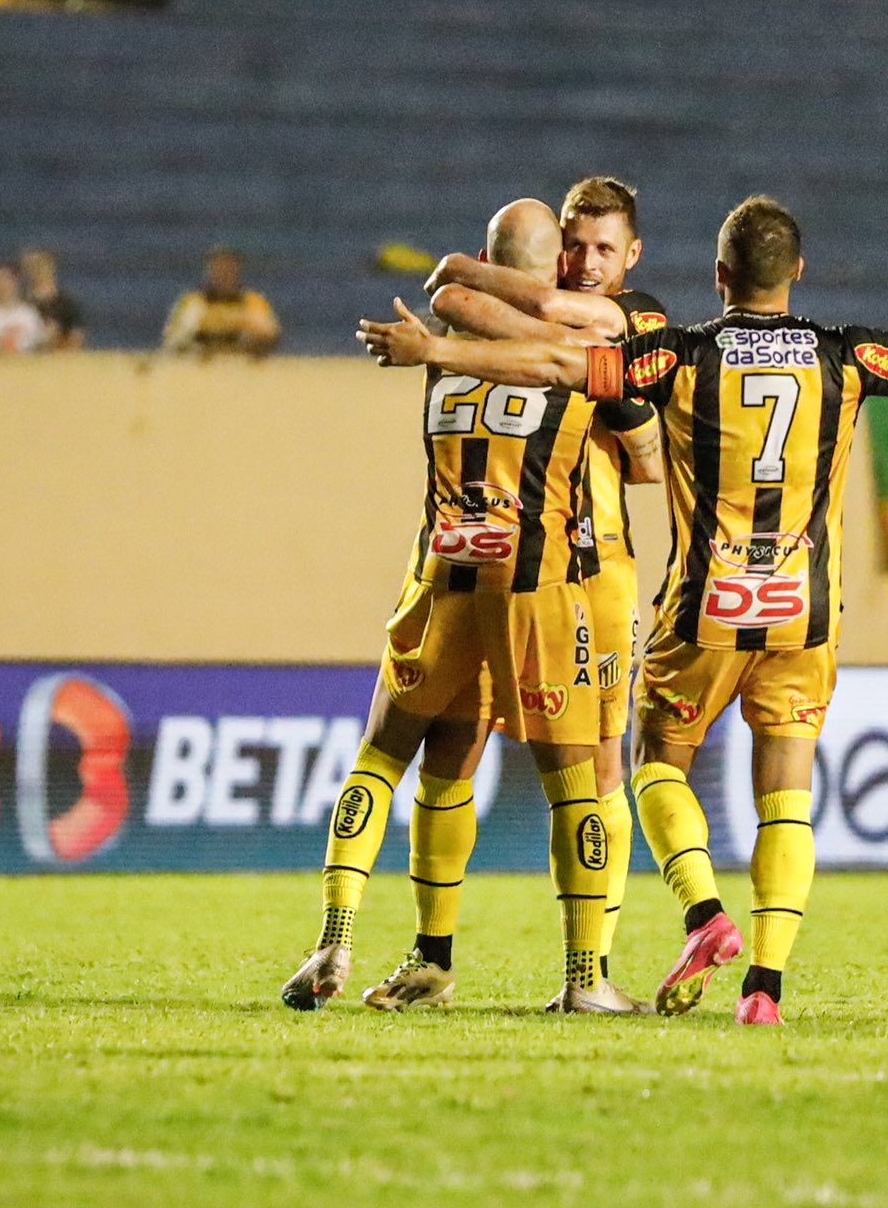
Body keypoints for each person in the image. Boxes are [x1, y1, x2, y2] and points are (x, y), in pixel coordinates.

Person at [360, 196, 888, 1026]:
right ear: (797, 273)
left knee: (655, 760)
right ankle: (764, 987)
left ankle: (703, 910)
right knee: (787, 796)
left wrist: (435, 349)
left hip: (709, 602)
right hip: (805, 611)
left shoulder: (679, 355)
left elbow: (558, 366)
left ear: (720, 276)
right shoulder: (852, 355)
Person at [280, 200, 659, 1015]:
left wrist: (442, 310)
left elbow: (450, 291)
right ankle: (587, 977)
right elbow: (644, 453)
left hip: (444, 573)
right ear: (552, 264)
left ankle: (340, 937)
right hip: (540, 586)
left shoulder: (436, 352)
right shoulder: (575, 347)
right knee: (577, 784)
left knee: (389, 759)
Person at [415, 176, 668, 1014]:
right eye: (576, 246)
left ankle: (593, 963)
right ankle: (440, 954)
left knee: (602, 763)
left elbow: (646, 459)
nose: (587, 264)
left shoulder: (644, 323)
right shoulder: (548, 314)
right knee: (460, 748)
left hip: (601, 573)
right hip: (526, 568)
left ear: (633, 257)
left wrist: (466, 276)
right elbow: (473, 309)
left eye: (605, 250)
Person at [163, 247, 280, 356]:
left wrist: (241, 325)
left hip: (242, 363)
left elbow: (270, 332)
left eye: (229, 269)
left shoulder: (252, 301)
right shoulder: (193, 302)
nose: (224, 275)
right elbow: (173, 336)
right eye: (219, 269)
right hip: (200, 364)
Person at [21, 248, 85, 350]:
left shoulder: (65, 303)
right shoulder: (22, 302)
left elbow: (77, 337)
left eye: (42, 267)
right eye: (34, 268)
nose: (38, 272)